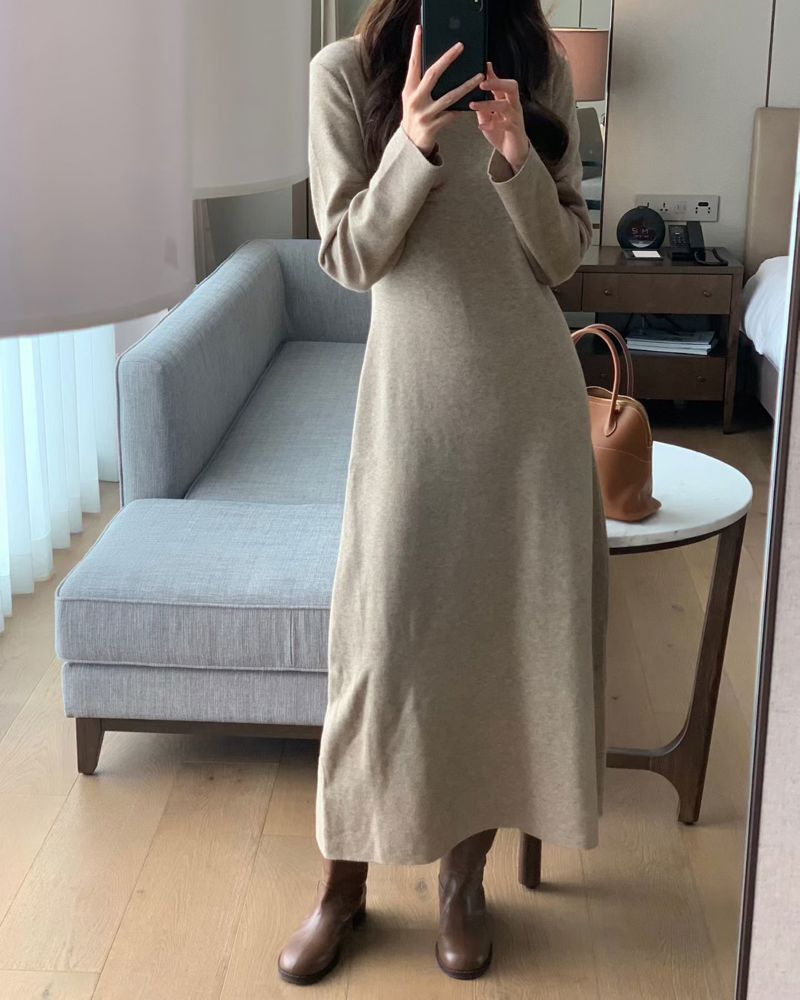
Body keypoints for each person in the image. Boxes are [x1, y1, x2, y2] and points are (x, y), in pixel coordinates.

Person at [278, 0, 608, 985]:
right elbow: (348, 254)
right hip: (411, 409)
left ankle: (465, 882)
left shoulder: (539, 68)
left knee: (500, 651)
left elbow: (563, 258)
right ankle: (342, 886)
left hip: (527, 416)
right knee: (378, 648)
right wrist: (413, 145)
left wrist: (512, 158)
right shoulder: (343, 73)